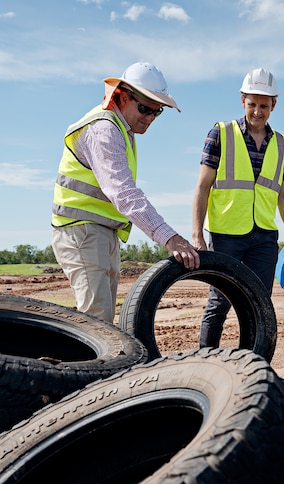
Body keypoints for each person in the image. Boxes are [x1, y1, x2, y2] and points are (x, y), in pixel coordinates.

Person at [52, 62, 200, 324]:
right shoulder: (104, 129)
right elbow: (123, 193)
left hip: (101, 232)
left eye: (157, 112)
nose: (150, 118)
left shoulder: (123, 130)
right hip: (83, 231)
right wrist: (171, 239)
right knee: (96, 321)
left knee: (102, 322)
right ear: (121, 95)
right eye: (144, 108)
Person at [191, 67, 284, 348]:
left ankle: (253, 367)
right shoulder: (221, 133)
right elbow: (203, 186)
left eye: (264, 105)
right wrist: (197, 234)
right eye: (252, 104)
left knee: (259, 305)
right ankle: (205, 362)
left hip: (264, 236)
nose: (257, 111)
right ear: (243, 102)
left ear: (273, 105)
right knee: (219, 303)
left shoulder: (281, 143)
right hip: (227, 234)